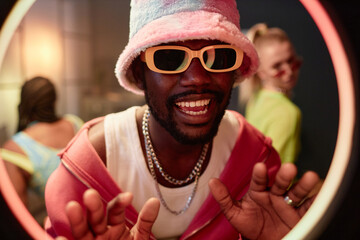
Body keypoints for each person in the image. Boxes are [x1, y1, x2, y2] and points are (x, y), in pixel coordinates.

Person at [45, 1, 319, 239]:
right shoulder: (92, 163)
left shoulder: (255, 157)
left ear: (235, 70)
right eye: (169, 58)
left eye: (218, 56)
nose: (197, 78)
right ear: (139, 73)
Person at [0, 76, 83, 224]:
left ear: (23, 103)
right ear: (54, 100)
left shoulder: (14, 149)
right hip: (97, 215)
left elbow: (18, 214)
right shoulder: (74, 124)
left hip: (60, 227)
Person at [239, 23, 302, 164]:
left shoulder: (256, 98)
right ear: (260, 73)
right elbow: (275, 173)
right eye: (277, 66)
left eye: (291, 60)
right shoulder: (288, 113)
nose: (289, 71)